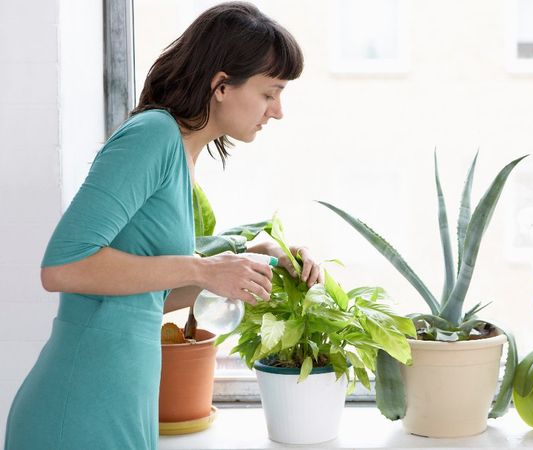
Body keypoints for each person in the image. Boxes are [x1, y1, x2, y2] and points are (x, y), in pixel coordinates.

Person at [4, 3, 319, 449]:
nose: (278, 111)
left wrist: (253, 264)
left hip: (120, 399)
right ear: (222, 85)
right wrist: (203, 268)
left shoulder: (180, 154)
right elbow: (62, 268)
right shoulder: (152, 135)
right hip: (79, 407)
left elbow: (147, 295)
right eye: (271, 93)